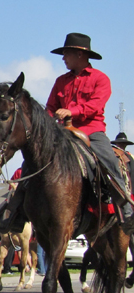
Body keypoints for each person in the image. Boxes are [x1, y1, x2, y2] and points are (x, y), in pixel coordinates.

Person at [46, 33, 134, 233]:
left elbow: (95, 105)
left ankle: (127, 212)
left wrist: (72, 111)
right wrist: (47, 120)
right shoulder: (60, 81)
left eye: (66, 53)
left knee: (110, 162)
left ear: (79, 54)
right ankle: (14, 211)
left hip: (91, 131)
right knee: (35, 159)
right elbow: (50, 107)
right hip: (62, 133)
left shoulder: (100, 79)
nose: (63, 58)